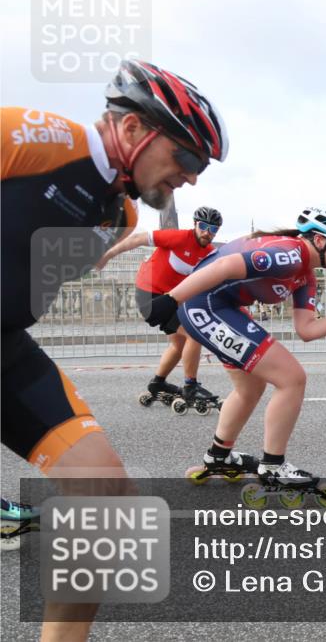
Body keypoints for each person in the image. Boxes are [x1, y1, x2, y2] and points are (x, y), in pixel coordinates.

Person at [1, 58, 227, 641]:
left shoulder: (118, 211)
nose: (194, 177)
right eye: (188, 157)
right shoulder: (38, 138)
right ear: (132, 131)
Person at [141, 207, 326, 507]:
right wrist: (171, 300)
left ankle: (219, 456)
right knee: (292, 378)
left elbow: (306, 330)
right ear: (319, 240)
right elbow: (225, 267)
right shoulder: (290, 254)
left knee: (250, 389)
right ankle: (272, 466)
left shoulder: (305, 275)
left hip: (219, 306)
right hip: (203, 304)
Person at [96, 206, 224, 411]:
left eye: (213, 229)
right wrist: (108, 254)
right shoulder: (177, 238)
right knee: (194, 333)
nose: (207, 232)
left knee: (179, 344)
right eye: (203, 226)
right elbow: (137, 239)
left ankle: (158, 383)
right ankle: (190, 386)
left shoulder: (210, 253)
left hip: (169, 299)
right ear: (195, 225)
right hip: (149, 295)